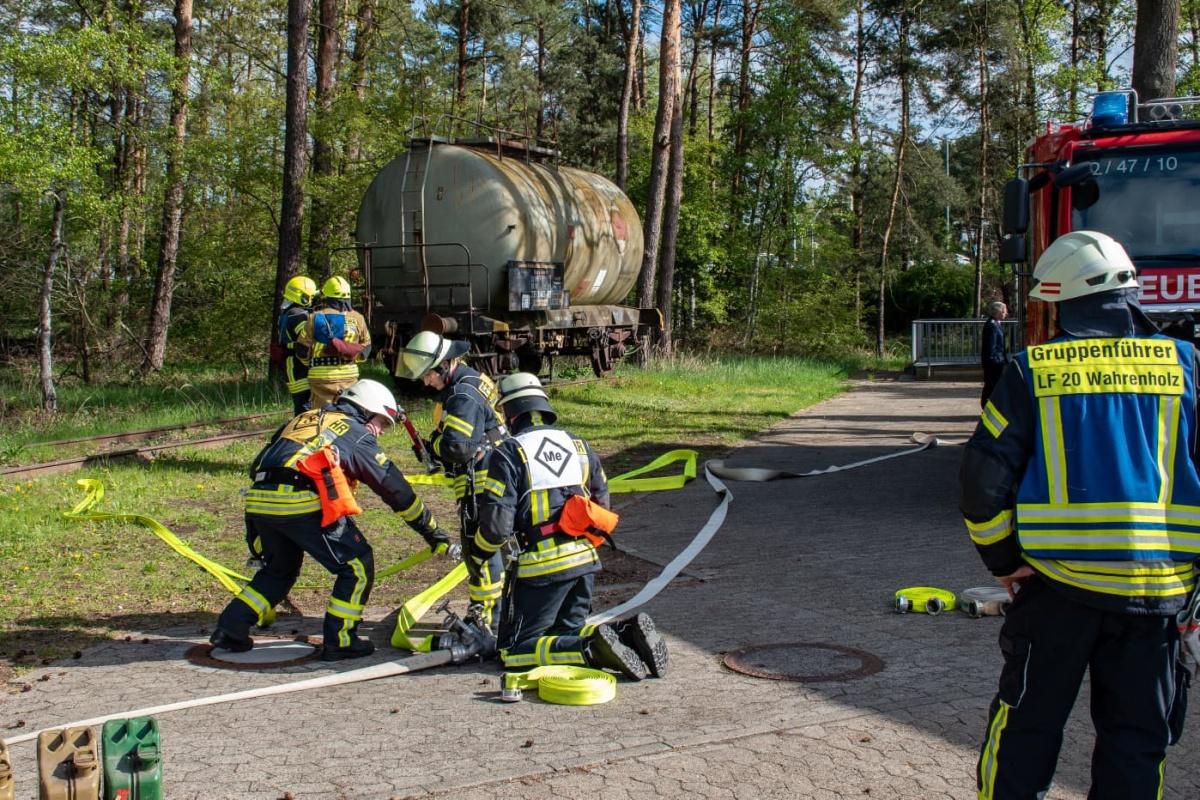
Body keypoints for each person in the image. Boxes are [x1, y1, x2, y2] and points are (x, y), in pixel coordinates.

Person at [959, 230, 1195, 800]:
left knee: (1026, 728)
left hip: (1057, 589)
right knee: (1137, 741)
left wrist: (1005, 563)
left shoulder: (1031, 369)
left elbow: (982, 483)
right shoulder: (1189, 365)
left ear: (1062, 301)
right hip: (1158, 596)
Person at [211, 379, 451, 661]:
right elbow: (394, 488)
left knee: (279, 570)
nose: (380, 432)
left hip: (260, 499)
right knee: (357, 564)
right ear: (367, 410)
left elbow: (260, 462)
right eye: (381, 423)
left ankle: (230, 629)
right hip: (300, 500)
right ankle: (341, 639)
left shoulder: (304, 418)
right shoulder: (356, 432)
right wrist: (431, 530)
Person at [473, 372, 668, 680]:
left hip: (541, 571)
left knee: (514, 649)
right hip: (585, 565)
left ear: (509, 414)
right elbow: (602, 505)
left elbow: (497, 527)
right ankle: (626, 633)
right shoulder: (578, 445)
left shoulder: (509, 453)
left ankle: (590, 649)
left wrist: (478, 552)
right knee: (567, 631)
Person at [396, 331, 508, 630]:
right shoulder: (473, 381)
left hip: (481, 481)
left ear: (446, 364)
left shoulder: (462, 395)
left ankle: (488, 619)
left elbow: (458, 447)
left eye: (428, 374)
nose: (425, 382)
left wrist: (433, 447)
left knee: (479, 549)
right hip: (496, 474)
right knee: (495, 548)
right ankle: (499, 612)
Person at [300, 276, 372, 408]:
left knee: (321, 416)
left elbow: (302, 351)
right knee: (349, 414)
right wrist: (351, 358)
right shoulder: (358, 318)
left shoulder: (315, 317)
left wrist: (310, 363)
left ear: (327, 296)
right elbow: (366, 350)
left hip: (321, 378)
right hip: (349, 376)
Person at [279, 275, 317, 415]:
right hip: (299, 368)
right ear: (303, 297)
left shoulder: (289, 313)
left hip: (294, 367)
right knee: (305, 411)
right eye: (311, 296)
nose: (313, 300)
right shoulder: (298, 316)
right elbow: (308, 341)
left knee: (304, 409)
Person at [981, 300, 1009, 407]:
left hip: (997, 363)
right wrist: (998, 362)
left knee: (994, 387)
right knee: (991, 387)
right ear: (998, 312)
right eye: (1004, 311)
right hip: (993, 364)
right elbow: (991, 348)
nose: (1006, 313)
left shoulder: (996, 324)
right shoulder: (992, 326)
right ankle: (987, 407)